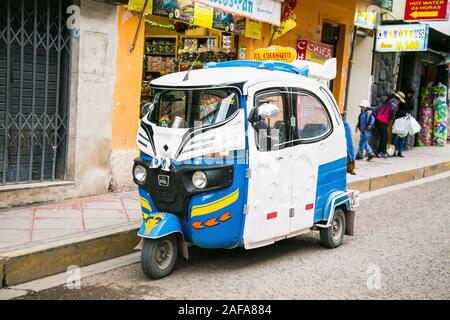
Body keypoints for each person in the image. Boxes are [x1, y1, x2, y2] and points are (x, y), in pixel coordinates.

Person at [375, 91, 405, 158]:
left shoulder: (392, 100)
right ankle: (381, 153)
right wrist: (391, 120)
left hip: (380, 119)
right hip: (381, 120)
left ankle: (381, 152)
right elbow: (392, 111)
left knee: (384, 137)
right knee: (385, 137)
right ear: (399, 98)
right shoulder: (394, 102)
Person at [392, 88, 415, 157]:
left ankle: (400, 152)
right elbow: (397, 109)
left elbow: (411, 109)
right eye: (409, 93)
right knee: (396, 135)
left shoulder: (412, 100)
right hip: (399, 118)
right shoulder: (402, 100)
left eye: (411, 94)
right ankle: (393, 151)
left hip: (405, 119)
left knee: (403, 136)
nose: (409, 95)